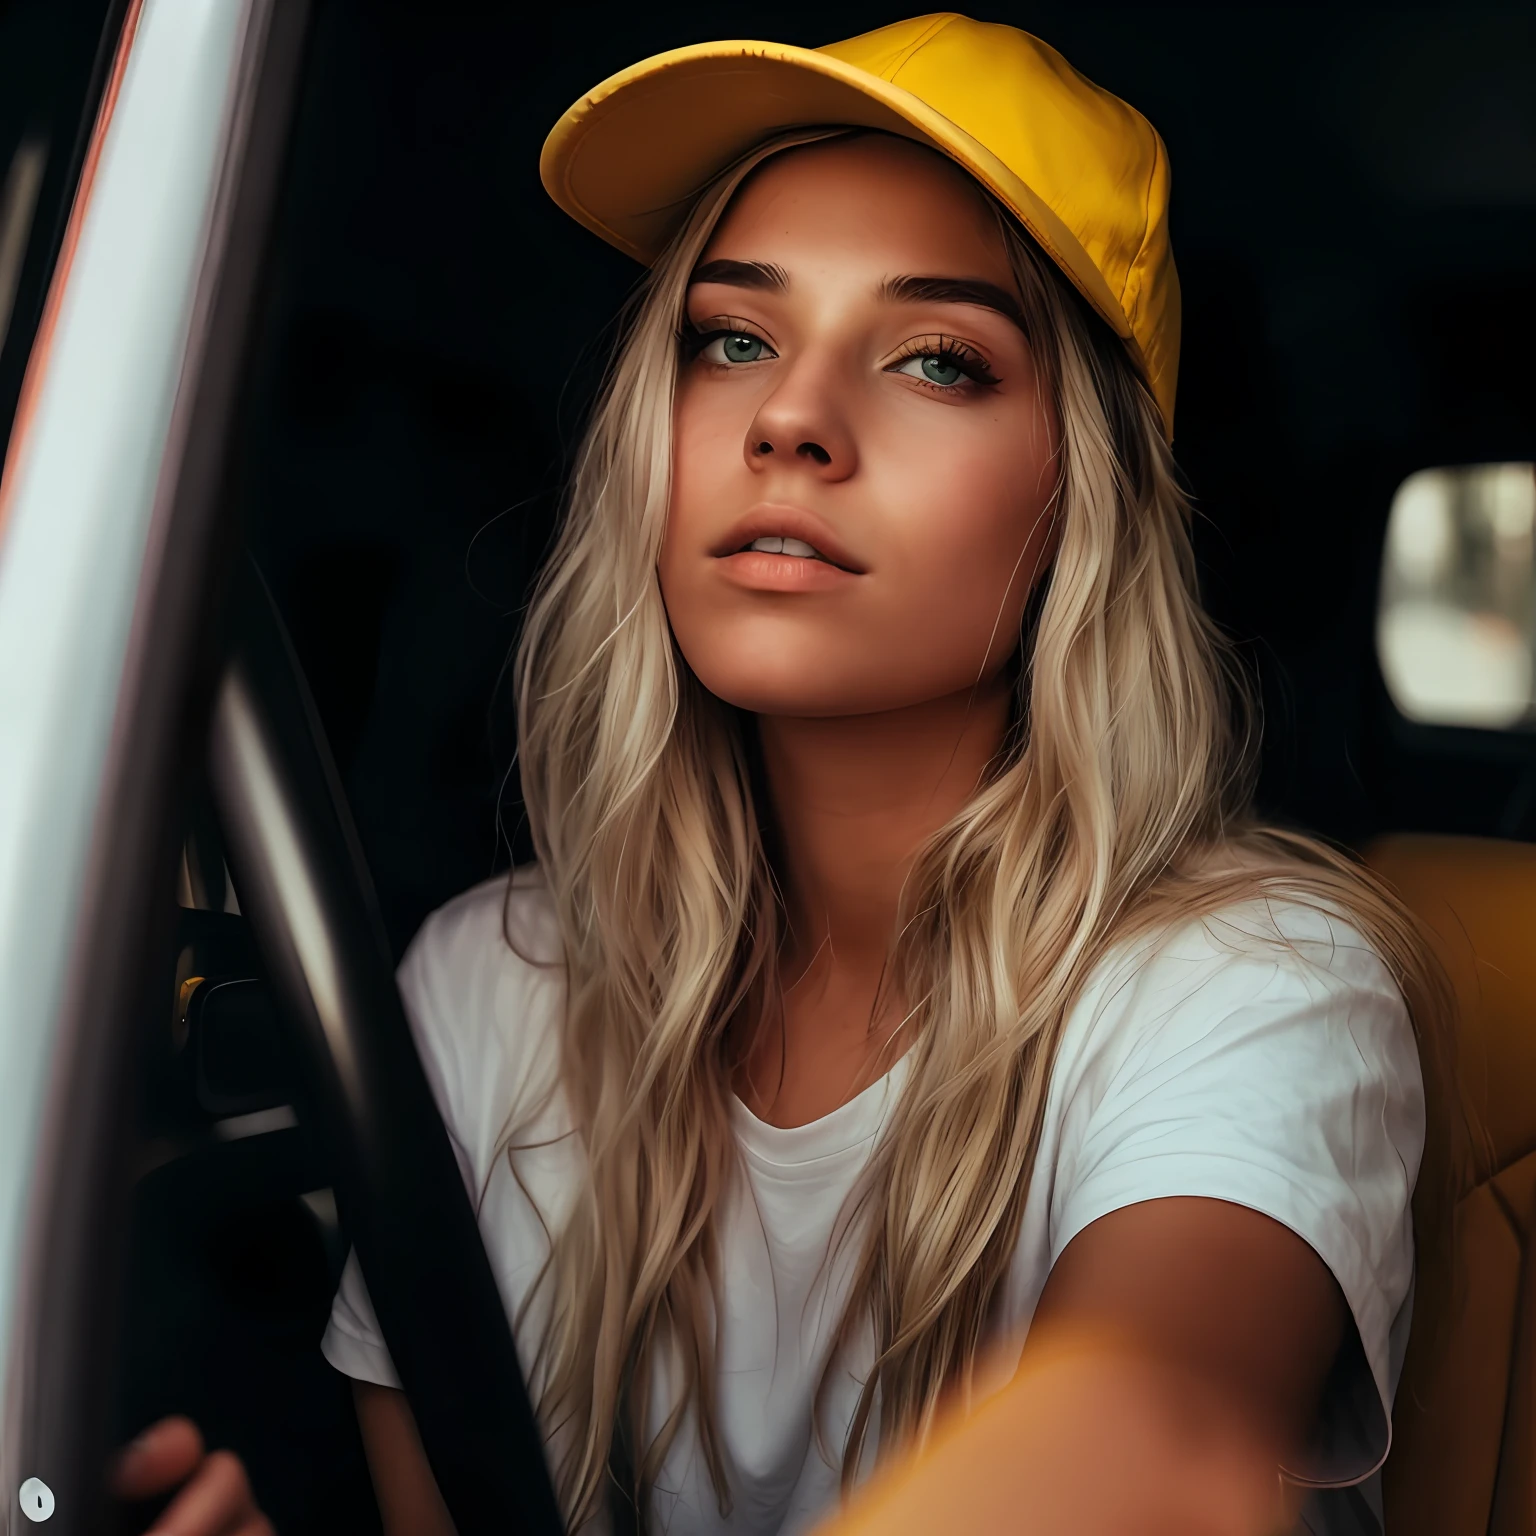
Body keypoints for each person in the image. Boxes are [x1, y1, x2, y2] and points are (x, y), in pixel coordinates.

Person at [126, 14, 1450, 1536]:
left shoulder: (1253, 984)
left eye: (940, 359)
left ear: (1081, 503)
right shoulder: (486, 986)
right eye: (733, 337)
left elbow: (1154, 1432)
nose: (792, 419)